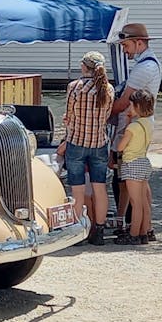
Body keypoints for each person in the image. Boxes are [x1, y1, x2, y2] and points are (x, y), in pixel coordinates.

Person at [109, 23, 162, 240]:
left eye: (126, 45)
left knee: (126, 182)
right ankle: (143, 227)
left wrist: (100, 116)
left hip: (130, 131)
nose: (124, 49)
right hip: (141, 129)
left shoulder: (144, 67)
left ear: (139, 42)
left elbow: (123, 102)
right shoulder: (147, 64)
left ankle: (133, 227)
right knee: (138, 186)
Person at [63, 51, 115, 246]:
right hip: (99, 143)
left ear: (84, 67)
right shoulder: (108, 90)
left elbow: (69, 115)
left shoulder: (74, 87)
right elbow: (107, 115)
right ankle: (99, 231)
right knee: (100, 188)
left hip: (76, 142)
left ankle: (78, 231)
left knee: (77, 191)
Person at [115, 89, 155, 245]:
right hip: (144, 162)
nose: (128, 108)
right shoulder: (148, 123)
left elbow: (120, 147)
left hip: (132, 163)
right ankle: (144, 232)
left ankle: (133, 234)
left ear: (137, 106)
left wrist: (126, 124)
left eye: (131, 105)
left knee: (135, 202)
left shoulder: (132, 127)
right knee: (144, 202)